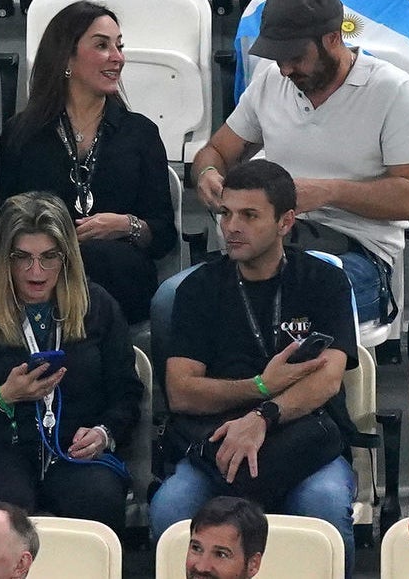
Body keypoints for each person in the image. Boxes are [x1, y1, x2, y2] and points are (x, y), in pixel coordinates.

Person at [187, 0, 409, 327]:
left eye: (295, 57)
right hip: (270, 242)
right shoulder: (270, 80)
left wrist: (328, 192)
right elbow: (216, 149)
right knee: (177, 300)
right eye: (278, 58)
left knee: (275, 301)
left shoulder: (393, 92)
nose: (286, 69)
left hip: (357, 251)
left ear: (333, 39)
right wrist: (207, 175)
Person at [149, 165, 355, 531]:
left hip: (300, 436)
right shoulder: (198, 290)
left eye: (249, 215)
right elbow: (181, 392)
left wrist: (263, 416)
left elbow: (327, 381)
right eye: (226, 213)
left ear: (285, 221)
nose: (232, 227)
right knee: (170, 509)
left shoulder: (325, 282)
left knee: (324, 503)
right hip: (217, 438)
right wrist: (260, 386)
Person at [0, 195, 134, 525]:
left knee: (98, 499)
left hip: (71, 450)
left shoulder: (97, 307)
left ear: (67, 257)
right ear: (3, 260)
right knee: (5, 514)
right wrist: (2, 397)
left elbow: (126, 395)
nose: (35, 272)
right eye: (22, 258)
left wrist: (103, 433)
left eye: (49, 257)